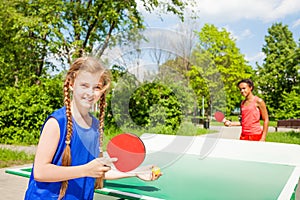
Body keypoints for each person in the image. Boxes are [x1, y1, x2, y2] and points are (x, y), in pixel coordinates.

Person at [25, 57, 161, 200]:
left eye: (96, 87)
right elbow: (40, 172)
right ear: (71, 84)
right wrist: (85, 170)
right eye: (84, 85)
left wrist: (136, 172)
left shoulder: (95, 126)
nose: (90, 93)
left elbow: (98, 170)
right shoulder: (57, 123)